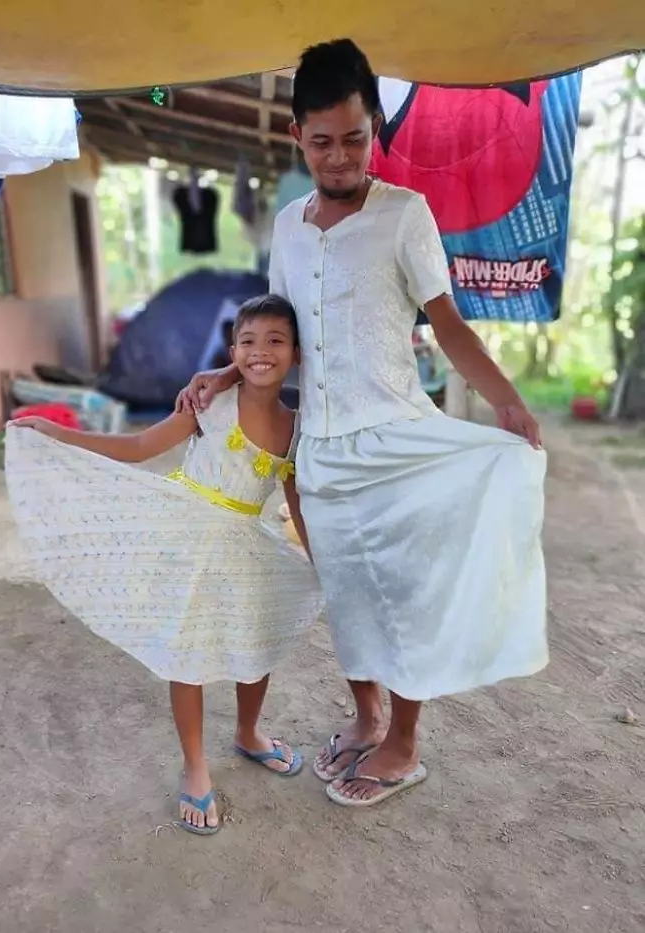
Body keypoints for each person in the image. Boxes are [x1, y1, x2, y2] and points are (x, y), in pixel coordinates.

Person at [176, 39, 548, 809]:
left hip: (394, 439)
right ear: (296, 137)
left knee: (404, 593)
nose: (340, 157)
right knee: (347, 592)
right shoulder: (286, 226)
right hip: (319, 450)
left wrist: (506, 399)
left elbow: (447, 326)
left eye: (354, 137)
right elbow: (277, 328)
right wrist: (225, 370)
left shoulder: (405, 215)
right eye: (322, 142)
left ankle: (405, 744)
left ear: (374, 126)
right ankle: (369, 712)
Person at [6, 295, 323, 835]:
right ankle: (195, 767)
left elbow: (297, 505)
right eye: (248, 342)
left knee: (258, 642)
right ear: (232, 352)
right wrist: (62, 435)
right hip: (187, 536)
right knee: (187, 653)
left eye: (275, 341)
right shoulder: (209, 403)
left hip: (246, 545)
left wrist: (322, 562)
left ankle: (248, 733)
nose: (260, 352)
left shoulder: (297, 429)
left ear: (296, 354)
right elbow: (138, 446)